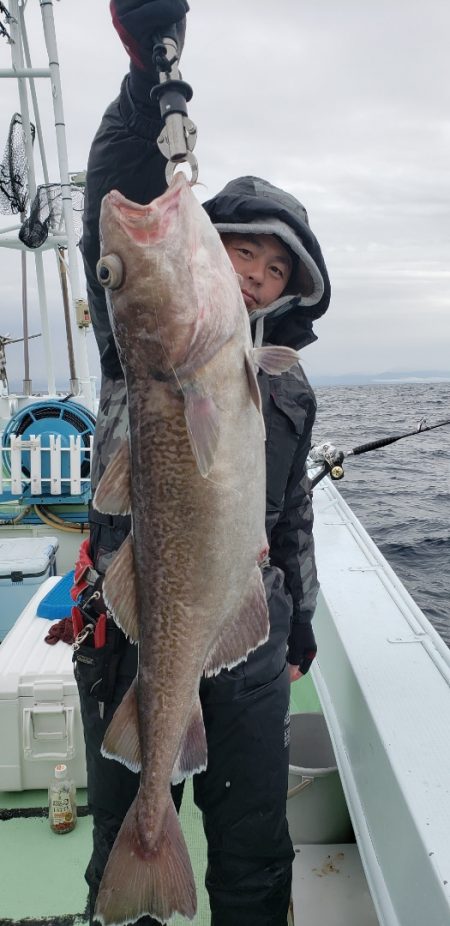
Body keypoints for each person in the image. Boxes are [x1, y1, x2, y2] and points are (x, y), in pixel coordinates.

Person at [73, 3, 331, 925]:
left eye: (273, 269)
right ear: (208, 257)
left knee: (257, 856)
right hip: (140, 644)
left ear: (286, 293)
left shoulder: (284, 387)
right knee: (124, 840)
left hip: (252, 641)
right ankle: (145, 848)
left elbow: (290, 513)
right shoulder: (139, 352)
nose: (255, 274)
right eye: (240, 251)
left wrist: (298, 627)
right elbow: (117, 180)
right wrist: (148, 75)